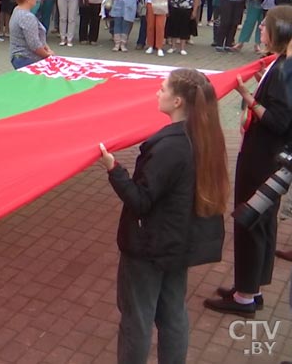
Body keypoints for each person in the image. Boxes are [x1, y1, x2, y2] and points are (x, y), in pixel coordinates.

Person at [97, 68, 228, 364]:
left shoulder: (171, 147)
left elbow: (141, 201)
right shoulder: (204, 136)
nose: (158, 92)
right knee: (172, 313)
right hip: (178, 243)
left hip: (150, 247)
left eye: (163, 88)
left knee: (137, 319)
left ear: (179, 101)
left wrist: (113, 169)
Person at [205, 5, 292, 317]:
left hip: (263, 160)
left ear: (279, 32)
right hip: (268, 158)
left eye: (265, 26)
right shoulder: (281, 64)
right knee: (261, 223)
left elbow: (278, 121)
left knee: (250, 222)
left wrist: (248, 96)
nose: (260, 30)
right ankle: (250, 288)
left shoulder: (285, 69)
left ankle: (244, 298)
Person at [9, 0, 53, 69]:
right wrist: (47, 54)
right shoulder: (27, 17)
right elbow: (34, 44)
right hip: (27, 58)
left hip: (18, 56)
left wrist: (46, 48)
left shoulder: (17, 9)